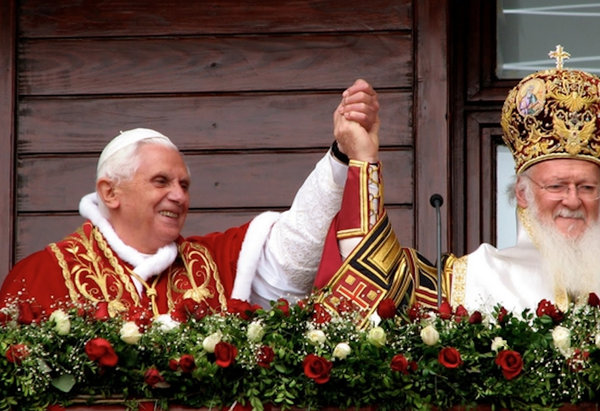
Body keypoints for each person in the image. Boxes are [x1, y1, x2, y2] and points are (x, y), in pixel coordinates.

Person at [315, 48, 600, 324]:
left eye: (588, 187)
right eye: (557, 186)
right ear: (523, 194)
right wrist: (363, 161)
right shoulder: (473, 279)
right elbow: (378, 284)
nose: (573, 201)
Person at [0, 79, 380, 319]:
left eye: (184, 184)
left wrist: (343, 154)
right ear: (109, 192)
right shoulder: (40, 276)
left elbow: (295, 249)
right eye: (161, 181)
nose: (179, 195)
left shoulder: (211, 262)